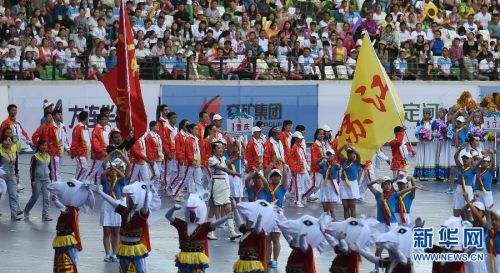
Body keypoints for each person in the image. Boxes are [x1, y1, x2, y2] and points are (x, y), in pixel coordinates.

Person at [92, 181, 152, 273]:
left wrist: (147, 195)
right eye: (128, 198)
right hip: (124, 247)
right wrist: (100, 192)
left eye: (130, 198)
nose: (128, 200)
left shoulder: (141, 215)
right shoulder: (124, 211)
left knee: (139, 270)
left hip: (136, 248)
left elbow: (145, 207)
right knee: (123, 270)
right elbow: (111, 201)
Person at [165, 194, 231, 273]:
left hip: (197, 260)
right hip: (184, 259)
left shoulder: (203, 227)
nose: (191, 215)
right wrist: (173, 208)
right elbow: (168, 216)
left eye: (193, 213)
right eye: (190, 213)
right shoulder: (181, 224)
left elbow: (216, 223)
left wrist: (226, 217)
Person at [207, 141, 241, 241]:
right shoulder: (211, 159)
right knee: (213, 210)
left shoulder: (223, 158)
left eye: (222, 148)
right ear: (214, 150)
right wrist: (236, 173)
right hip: (216, 185)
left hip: (225, 185)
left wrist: (236, 158)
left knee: (228, 208)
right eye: (219, 148)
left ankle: (232, 232)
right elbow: (223, 169)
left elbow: (226, 163)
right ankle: (210, 232)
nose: (221, 150)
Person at [99, 152, 128, 263]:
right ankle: (107, 254)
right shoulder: (105, 180)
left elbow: (124, 175)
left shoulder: (120, 181)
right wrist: (109, 167)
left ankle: (115, 254)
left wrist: (115, 168)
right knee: (106, 232)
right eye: (112, 169)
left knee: (116, 232)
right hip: (107, 206)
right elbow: (102, 174)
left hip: (117, 205)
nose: (113, 171)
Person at [23, 139, 51, 221]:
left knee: (47, 198)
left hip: (46, 180)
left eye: (45, 145)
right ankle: (27, 210)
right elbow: (32, 169)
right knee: (35, 196)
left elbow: (50, 169)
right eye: (42, 145)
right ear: (39, 146)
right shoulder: (35, 157)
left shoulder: (48, 156)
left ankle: (45, 215)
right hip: (37, 179)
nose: (44, 147)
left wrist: (51, 179)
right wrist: (32, 180)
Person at [266, 169, 288, 269]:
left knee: (276, 238)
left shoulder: (282, 187)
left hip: (278, 214)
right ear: (270, 178)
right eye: (273, 176)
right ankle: (268, 259)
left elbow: (285, 180)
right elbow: (264, 177)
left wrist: (285, 171)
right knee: (268, 239)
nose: (275, 177)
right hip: (268, 213)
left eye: (277, 176)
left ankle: (275, 260)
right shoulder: (267, 187)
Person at [32, 112, 60, 182]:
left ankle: (53, 183)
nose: (50, 118)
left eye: (51, 116)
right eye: (49, 116)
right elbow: (34, 137)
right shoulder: (42, 127)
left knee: (54, 169)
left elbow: (56, 141)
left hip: (53, 152)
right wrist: (39, 146)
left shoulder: (55, 127)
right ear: (45, 118)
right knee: (46, 168)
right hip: (45, 152)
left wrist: (57, 150)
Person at [0, 134, 23, 220]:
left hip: (11, 175)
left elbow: (16, 163)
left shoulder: (13, 149)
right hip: (1, 176)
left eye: (10, 140)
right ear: (2, 142)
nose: (8, 142)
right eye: (6, 140)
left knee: (13, 194)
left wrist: (17, 173)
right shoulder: (0, 151)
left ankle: (14, 215)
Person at [338, 144, 362, 219]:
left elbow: (358, 154)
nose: (349, 154)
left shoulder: (356, 162)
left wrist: (351, 147)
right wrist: (344, 145)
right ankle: (346, 224)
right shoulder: (344, 160)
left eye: (351, 152)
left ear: (354, 153)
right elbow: (338, 153)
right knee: (345, 207)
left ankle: (353, 225)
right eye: (348, 152)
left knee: (352, 207)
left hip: (352, 185)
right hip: (343, 184)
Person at [453, 148, 477, 218]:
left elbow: (479, 163)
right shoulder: (460, 167)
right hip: (459, 188)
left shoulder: (473, 169)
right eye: (463, 158)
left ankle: (468, 225)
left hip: (468, 190)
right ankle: (456, 223)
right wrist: (460, 149)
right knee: (456, 208)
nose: (464, 160)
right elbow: (455, 157)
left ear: (471, 160)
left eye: (467, 158)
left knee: (468, 210)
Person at [413, 109, 436, 180]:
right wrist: (420, 136)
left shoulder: (432, 123)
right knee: (421, 157)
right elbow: (416, 132)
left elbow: (435, 132)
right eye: (424, 113)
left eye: (427, 113)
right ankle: (420, 175)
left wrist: (432, 136)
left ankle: (427, 175)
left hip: (429, 144)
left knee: (428, 157)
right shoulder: (419, 122)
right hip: (421, 143)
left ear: (430, 115)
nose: (425, 115)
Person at [158, 111, 178, 192]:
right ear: (169, 119)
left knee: (175, 171)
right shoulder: (166, 129)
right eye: (173, 118)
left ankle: (171, 186)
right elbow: (164, 142)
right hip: (169, 154)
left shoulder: (176, 129)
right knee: (168, 171)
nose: (175, 119)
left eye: (176, 117)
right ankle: (166, 187)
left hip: (175, 153)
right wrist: (168, 153)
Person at [289, 131, 310, 207]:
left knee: (308, 184)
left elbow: (303, 158)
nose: (301, 139)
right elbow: (290, 159)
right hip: (297, 170)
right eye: (299, 138)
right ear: (295, 139)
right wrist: (294, 169)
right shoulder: (294, 147)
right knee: (299, 186)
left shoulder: (300, 147)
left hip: (303, 169)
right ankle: (298, 201)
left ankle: (303, 196)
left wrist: (307, 166)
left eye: (301, 138)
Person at [87, 114, 109, 184]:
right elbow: (95, 144)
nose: (105, 121)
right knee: (92, 172)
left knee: (97, 173)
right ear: (99, 120)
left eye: (106, 119)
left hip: (102, 155)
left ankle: (96, 187)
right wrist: (102, 151)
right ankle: (84, 184)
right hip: (97, 155)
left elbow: (104, 142)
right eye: (103, 119)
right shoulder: (97, 130)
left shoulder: (102, 129)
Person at [320, 150, 341, 219]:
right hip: (324, 184)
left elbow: (337, 170)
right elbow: (319, 169)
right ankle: (326, 222)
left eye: (330, 155)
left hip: (331, 185)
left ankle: (333, 222)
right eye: (327, 154)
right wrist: (322, 159)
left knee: (331, 208)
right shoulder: (323, 163)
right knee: (325, 209)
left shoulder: (336, 164)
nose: (328, 156)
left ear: (333, 156)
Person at [70, 111, 91, 181]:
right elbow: (75, 141)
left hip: (86, 153)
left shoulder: (85, 128)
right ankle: (75, 184)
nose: (88, 119)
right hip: (79, 152)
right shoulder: (78, 128)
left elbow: (87, 140)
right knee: (83, 168)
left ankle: (79, 185)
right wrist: (73, 152)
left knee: (83, 169)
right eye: (88, 117)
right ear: (86, 118)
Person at [172, 119, 189, 200]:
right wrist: (180, 158)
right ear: (182, 126)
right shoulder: (179, 135)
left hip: (187, 159)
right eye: (186, 125)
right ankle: (171, 187)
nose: (188, 126)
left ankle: (178, 192)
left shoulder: (187, 135)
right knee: (180, 176)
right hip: (181, 159)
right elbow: (178, 148)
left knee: (184, 177)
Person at [145, 121, 164, 185]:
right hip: (153, 159)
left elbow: (160, 148)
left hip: (159, 158)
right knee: (156, 175)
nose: (158, 127)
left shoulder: (158, 136)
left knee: (159, 176)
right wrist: (150, 159)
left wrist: (162, 157)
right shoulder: (149, 136)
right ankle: (148, 187)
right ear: (151, 127)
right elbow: (148, 149)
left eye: (158, 125)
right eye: (156, 125)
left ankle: (155, 193)